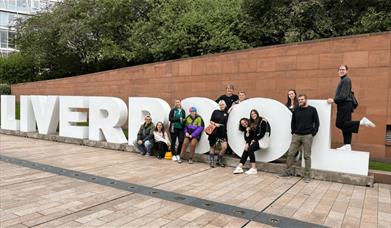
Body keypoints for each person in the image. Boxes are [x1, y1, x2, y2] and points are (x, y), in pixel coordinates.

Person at [327, 65, 375, 151]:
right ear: (338, 71)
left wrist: (333, 100)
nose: (341, 71)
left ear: (347, 71)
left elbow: (344, 95)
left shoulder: (346, 80)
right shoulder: (343, 80)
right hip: (345, 105)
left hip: (345, 105)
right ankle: (347, 145)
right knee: (346, 125)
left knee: (339, 123)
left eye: (343, 69)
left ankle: (362, 122)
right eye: (340, 69)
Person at [280, 94, 319, 183]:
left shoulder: (312, 110)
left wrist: (313, 133)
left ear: (306, 100)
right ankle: (287, 172)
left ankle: (307, 176)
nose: (300, 101)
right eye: (299, 100)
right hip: (296, 135)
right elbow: (293, 122)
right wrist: (293, 132)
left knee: (307, 156)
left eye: (302, 99)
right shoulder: (296, 110)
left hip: (307, 136)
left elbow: (317, 123)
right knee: (290, 154)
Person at [233, 109, 268, 175]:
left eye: (254, 113)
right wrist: (248, 134)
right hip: (254, 141)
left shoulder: (261, 121)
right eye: (242, 124)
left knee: (249, 149)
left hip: (260, 140)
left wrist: (253, 140)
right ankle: (240, 166)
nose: (244, 124)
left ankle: (253, 168)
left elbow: (262, 134)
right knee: (246, 149)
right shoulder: (251, 126)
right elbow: (248, 138)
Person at [208, 100, 229, 168]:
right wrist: (215, 124)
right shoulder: (215, 111)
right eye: (220, 104)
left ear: (225, 105)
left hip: (222, 132)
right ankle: (211, 162)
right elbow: (211, 121)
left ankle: (218, 160)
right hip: (214, 132)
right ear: (219, 105)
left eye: (223, 104)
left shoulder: (227, 113)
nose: (221, 105)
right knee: (212, 146)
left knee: (224, 147)